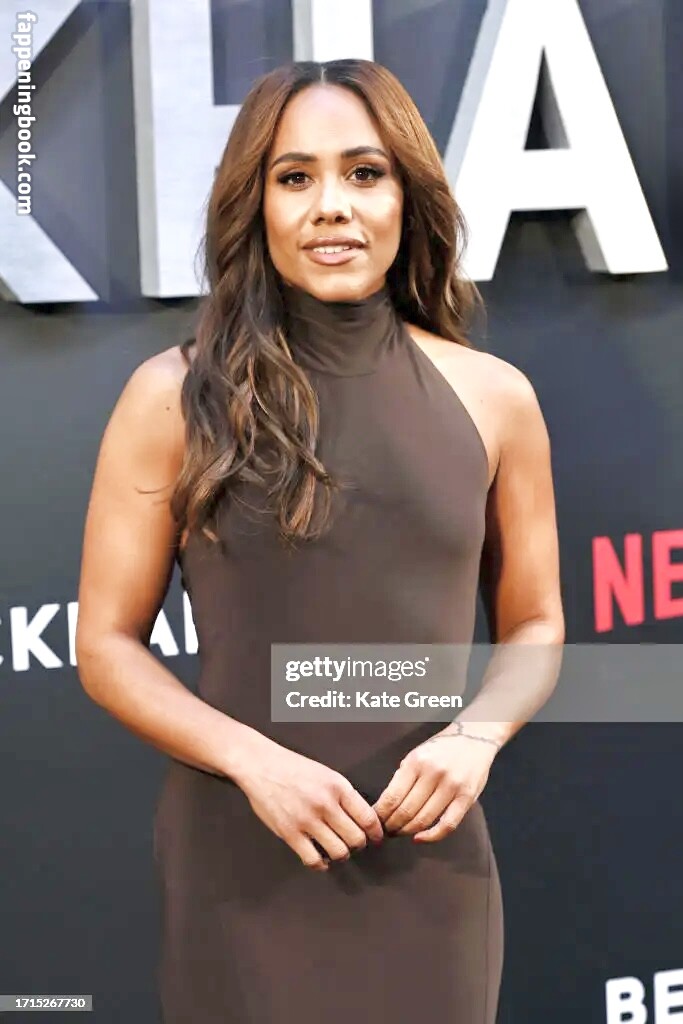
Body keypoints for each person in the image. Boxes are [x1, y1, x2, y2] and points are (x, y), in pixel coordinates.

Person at [75, 58, 565, 1023]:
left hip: (429, 858)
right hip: (243, 855)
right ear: (254, 204)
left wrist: (476, 736)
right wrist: (254, 762)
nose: (331, 205)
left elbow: (537, 624)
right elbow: (104, 645)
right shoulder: (172, 397)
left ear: (406, 198)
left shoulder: (494, 397)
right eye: (294, 177)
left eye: (364, 173)